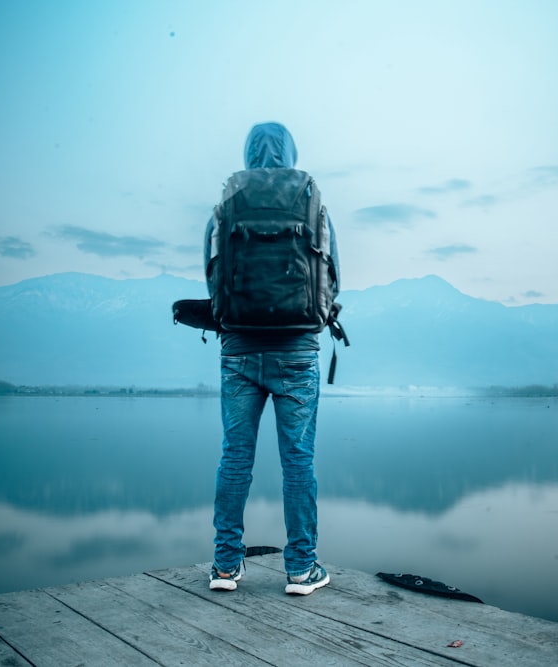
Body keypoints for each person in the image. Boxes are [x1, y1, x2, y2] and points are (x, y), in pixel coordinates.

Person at [204, 122, 339, 595]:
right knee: (298, 459)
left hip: (238, 349)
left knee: (235, 458)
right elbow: (332, 275)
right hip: (298, 350)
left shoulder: (227, 202)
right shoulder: (310, 198)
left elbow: (212, 272)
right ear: (291, 152)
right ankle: (301, 569)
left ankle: (225, 567)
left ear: (247, 153)